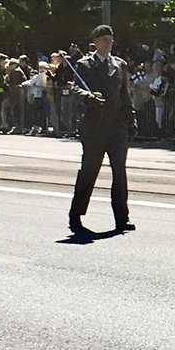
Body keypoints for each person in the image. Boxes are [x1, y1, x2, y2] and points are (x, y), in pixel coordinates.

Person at [68, 25, 137, 235]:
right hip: (94, 126)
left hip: (116, 127)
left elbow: (125, 94)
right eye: (104, 39)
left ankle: (122, 217)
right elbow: (74, 89)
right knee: (89, 171)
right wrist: (89, 98)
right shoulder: (84, 65)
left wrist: (131, 119)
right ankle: (76, 214)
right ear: (95, 42)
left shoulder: (120, 65)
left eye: (110, 39)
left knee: (120, 172)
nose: (108, 43)